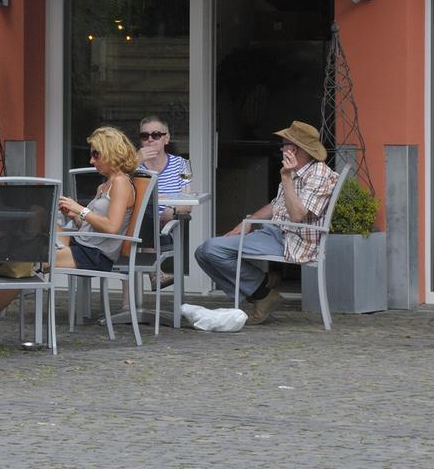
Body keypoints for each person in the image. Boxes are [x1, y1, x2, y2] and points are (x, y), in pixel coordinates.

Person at [0, 126, 138, 342]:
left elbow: (112, 227)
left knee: (27, 260)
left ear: (111, 151)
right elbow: (92, 224)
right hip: (83, 241)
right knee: (40, 214)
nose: (92, 161)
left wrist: (80, 209)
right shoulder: (105, 185)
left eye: (95, 154)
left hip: (95, 254)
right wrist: (74, 215)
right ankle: (23, 250)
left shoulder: (121, 183)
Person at [194, 120, 338, 325]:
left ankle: (263, 292)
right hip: (276, 231)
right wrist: (249, 220)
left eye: (284, 145)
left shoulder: (319, 175)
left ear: (295, 149)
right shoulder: (298, 170)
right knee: (202, 253)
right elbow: (276, 205)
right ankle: (262, 289)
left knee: (210, 250)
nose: (281, 148)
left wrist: (286, 177)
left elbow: (297, 216)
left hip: (294, 239)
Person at [136, 114, 188, 289]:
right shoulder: (132, 165)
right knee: (144, 210)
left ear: (167, 138)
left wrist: (172, 210)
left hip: (166, 228)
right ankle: (129, 306)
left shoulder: (181, 164)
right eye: (145, 136)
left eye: (156, 135)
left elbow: (188, 202)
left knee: (149, 211)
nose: (150, 140)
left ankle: (155, 275)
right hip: (133, 228)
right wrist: (135, 161)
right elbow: (112, 189)